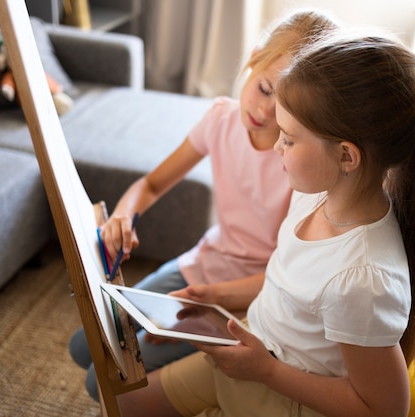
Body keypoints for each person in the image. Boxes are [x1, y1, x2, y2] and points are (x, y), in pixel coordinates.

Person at [114, 34, 415, 417]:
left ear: (346, 155)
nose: (276, 146)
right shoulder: (315, 193)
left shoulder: (362, 279)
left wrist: (268, 371)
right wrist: (214, 297)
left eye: (289, 139)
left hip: (285, 396)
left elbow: (385, 409)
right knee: (121, 399)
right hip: (253, 353)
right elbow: (289, 280)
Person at [68, 10, 340, 401]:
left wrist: (211, 299)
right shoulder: (221, 119)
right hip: (202, 265)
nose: (264, 113)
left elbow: (289, 279)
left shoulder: (301, 165)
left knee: (104, 381)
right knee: (87, 344)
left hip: (249, 299)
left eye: (286, 110)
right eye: (264, 89)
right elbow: (150, 183)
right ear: (254, 57)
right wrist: (122, 217)